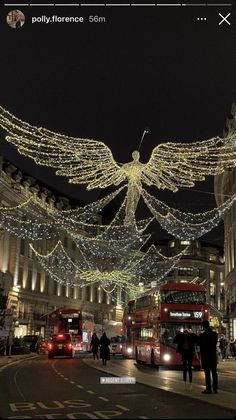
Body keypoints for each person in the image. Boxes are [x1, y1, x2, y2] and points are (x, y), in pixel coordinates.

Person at [197, 320, 218, 394]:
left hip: (206, 356)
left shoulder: (203, 335)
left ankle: (208, 389)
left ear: (203, 326)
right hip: (213, 356)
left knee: (207, 373)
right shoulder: (215, 334)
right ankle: (215, 389)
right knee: (214, 373)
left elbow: (198, 343)